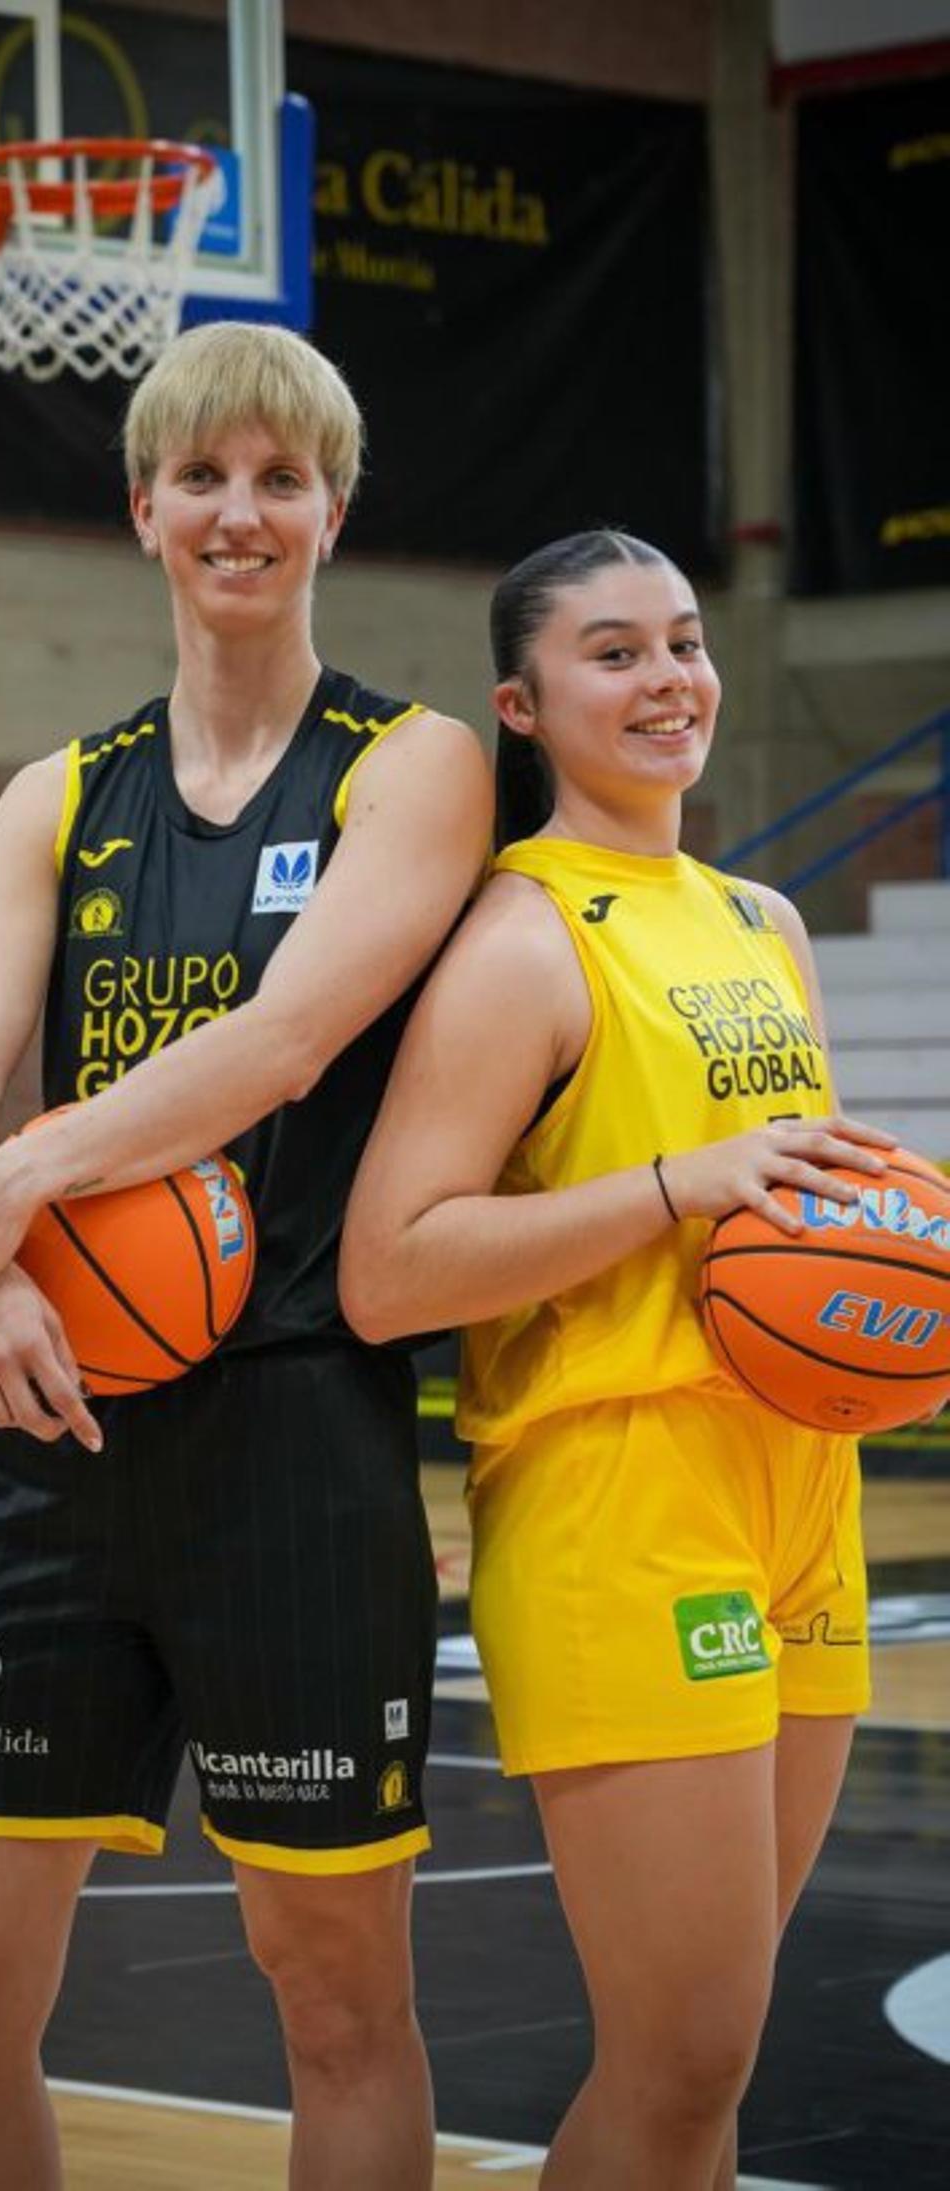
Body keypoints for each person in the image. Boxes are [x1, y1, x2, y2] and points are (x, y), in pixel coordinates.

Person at [0, 319, 492, 2191]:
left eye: (282, 480)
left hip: (294, 1448)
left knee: (336, 2004)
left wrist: (6, 1183)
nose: (243, 512)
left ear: (331, 513)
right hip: (53, 1443)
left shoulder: (418, 765)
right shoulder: (55, 798)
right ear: (143, 506)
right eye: (205, 478)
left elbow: (282, 1045)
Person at [339, 529, 891, 2191]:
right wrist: (669, 1188)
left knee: (708, 2071)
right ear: (523, 704)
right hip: (620, 1493)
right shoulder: (519, 938)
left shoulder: (765, 920)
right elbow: (388, 1270)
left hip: (801, 1475)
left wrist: (889, 1292)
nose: (670, 681)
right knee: (680, 2061)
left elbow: (793, 1216)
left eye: (685, 643)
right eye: (615, 654)